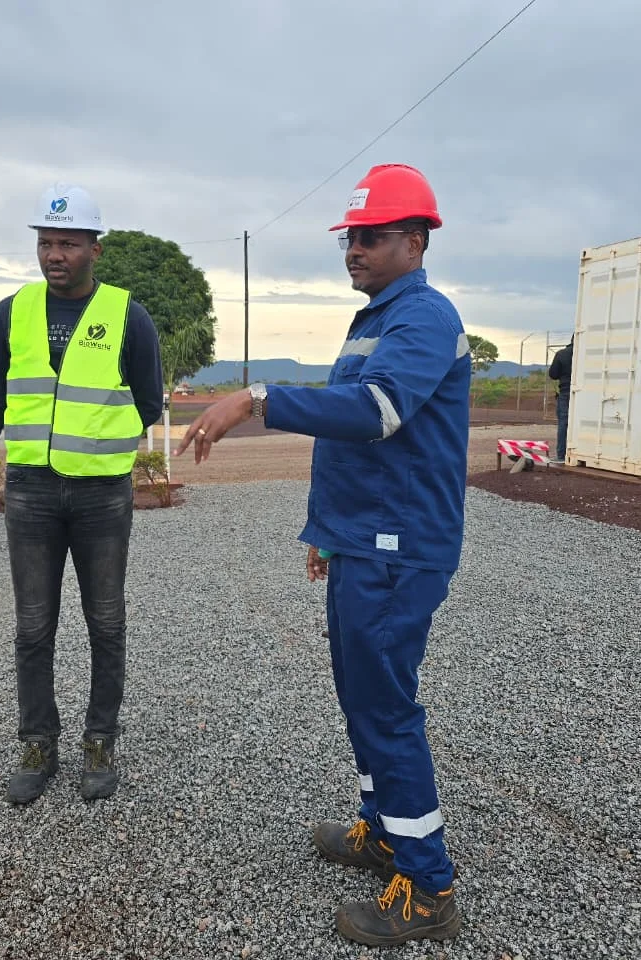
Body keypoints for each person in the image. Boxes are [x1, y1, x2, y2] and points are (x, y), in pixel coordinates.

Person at [175, 164, 470, 947]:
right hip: (364, 543)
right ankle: (385, 833)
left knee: (385, 706)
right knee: (360, 697)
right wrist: (327, 531)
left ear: (415, 240)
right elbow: (360, 450)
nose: (355, 250)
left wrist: (259, 397)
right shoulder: (376, 317)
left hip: (401, 550)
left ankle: (428, 885)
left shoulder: (426, 318)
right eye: (351, 237)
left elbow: (373, 414)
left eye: (371, 237)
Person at [0, 183, 164, 805]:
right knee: (33, 626)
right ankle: (38, 745)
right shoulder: (12, 313)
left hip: (101, 496)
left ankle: (99, 742)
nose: (54, 254)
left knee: (106, 622)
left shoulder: (127, 316)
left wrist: (99, 442)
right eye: (45, 242)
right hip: (32, 492)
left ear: (94, 247)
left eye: (67, 242)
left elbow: (148, 402)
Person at [548, 335, 573, 463]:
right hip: (587, 393)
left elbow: (553, 374)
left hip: (566, 392)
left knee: (564, 422)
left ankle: (561, 455)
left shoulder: (562, 354)